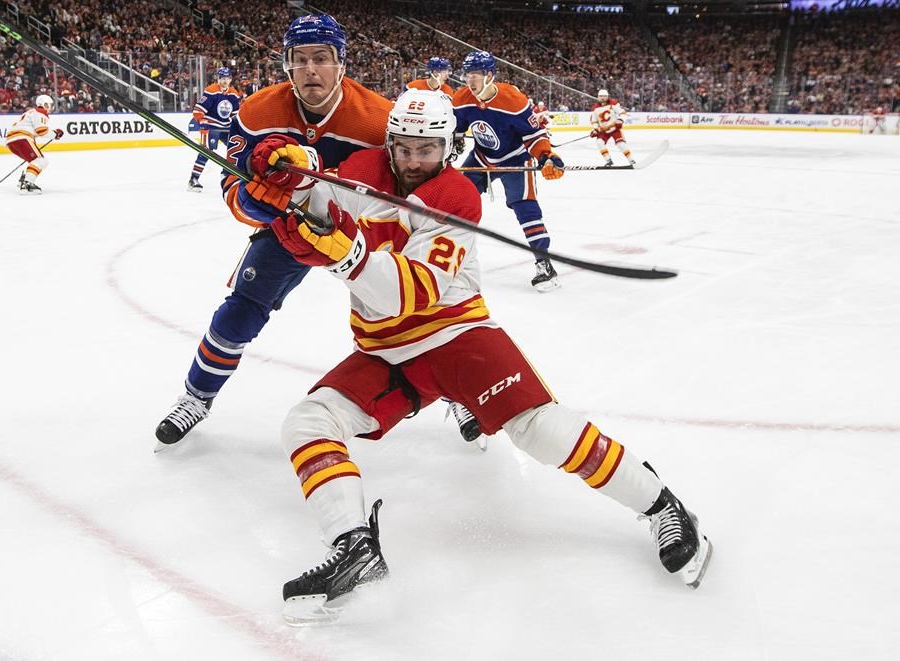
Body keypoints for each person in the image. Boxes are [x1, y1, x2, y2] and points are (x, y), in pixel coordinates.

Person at [254, 89, 712, 624]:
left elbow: (413, 293)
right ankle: (353, 546)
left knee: (541, 431)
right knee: (308, 422)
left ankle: (663, 506)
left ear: (446, 147)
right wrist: (297, 176)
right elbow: (318, 205)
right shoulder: (363, 166)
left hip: (456, 336)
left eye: (425, 149)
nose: (412, 160)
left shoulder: (457, 196)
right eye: (403, 147)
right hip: (383, 349)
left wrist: (347, 255)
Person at [153, 15, 394, 446]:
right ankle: (196, 397)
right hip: (288, 228)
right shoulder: (258, 110)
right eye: (299, 60)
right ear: (286, 64)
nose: (311, 70)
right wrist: (253, 203)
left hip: (359, 227)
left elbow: (403, 189)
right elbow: (233, 186)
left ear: (342, 64)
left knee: (414, 306)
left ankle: (455, 391)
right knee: (240, 310)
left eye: (322, 58)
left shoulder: (378, 120)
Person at [452, 51, 564, 293]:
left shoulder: (513, 100)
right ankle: (450, 255)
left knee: (525, 207)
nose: (470, 81)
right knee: (457, 200)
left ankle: (544, 263)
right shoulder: (461, 98)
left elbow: (534, 136)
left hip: (515, 159)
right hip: (482, 157)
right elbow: (455, 126)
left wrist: (547, 156)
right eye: (467, 75)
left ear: (490, 75)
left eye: (476, 75)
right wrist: (454, 138)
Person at [186, 67, 242, 192]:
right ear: (218, 79)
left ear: (230, 79)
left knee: (235, 151)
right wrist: (203, 122)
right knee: (206, 152)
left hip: (227, 128)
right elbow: (198, 111)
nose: (224, 81)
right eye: (222, 78)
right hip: (212, 127)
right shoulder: (211, 91)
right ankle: (193, 179)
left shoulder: (233, 93)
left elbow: (235, 114)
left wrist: (238, 126)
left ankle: (226, 173)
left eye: (227, 78)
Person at [4, 94, 63, 194]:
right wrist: (55, 134)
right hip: (22, 138)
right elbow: (41, 131)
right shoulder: (40, 112)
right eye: (49, 104)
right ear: (44, 104)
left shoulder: (32, 112)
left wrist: (54, 134)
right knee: (41, 161)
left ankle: (24, 179)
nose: (50, 107)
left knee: (34, 160)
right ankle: (27, 184)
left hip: (12, 141)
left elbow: (36, 130)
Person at [590, 89, 635, 167]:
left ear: (607, 96)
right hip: (604, 131)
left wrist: (620, 120)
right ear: (598, 97)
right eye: (601, 96)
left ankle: (631, 160)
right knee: (599, 142)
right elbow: (594, 121)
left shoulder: (613, 104)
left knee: (620, 144)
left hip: (614, 129)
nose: (603, 98)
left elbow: (623, 113)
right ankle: (608, 160)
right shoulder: (595, 108)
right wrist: (596, 129)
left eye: (604, 96)